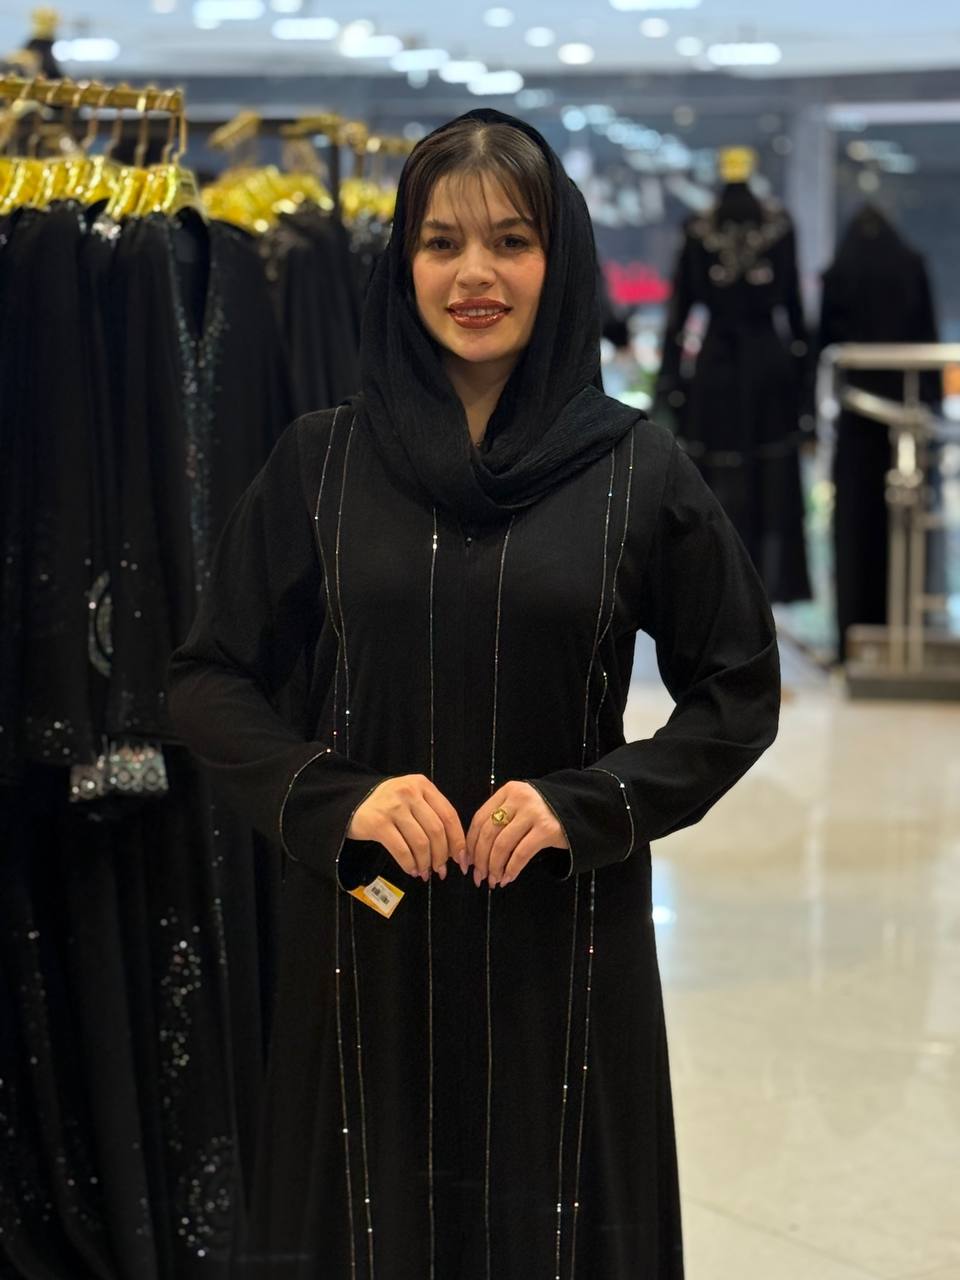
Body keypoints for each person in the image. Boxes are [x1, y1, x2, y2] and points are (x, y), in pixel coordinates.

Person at [168, 108, 780, 1280]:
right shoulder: (321, 461)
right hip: (369, 929)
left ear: (563, 260)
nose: (475, 275)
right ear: (402, 264)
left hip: (565, 940)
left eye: (511, 240)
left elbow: (737, 689)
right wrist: (332, 794)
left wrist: (590, 801)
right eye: (441, 242)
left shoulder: (637, 470)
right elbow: (208, 677)